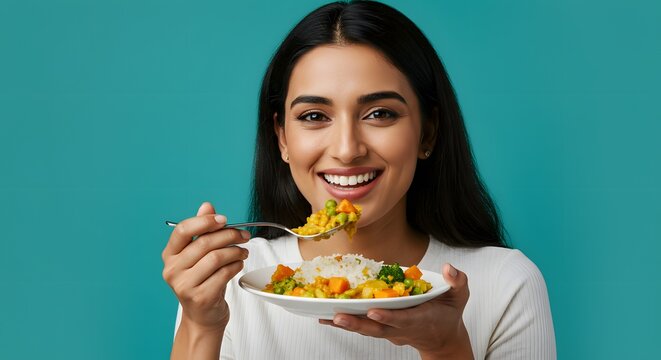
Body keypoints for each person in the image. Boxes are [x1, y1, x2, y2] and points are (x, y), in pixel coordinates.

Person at [161, 1, 556, 359]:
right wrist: (202, 325)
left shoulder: (505, 284)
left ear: (428, 132)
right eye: (314, 116)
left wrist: (446, 347)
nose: (347, 149)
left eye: (380, 113)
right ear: (281, 138)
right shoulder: (234, 283)